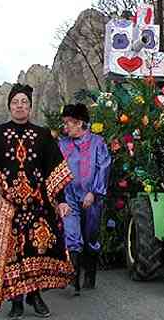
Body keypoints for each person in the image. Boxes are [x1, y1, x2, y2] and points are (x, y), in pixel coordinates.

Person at [0, 83, 74, 318]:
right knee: (12, 255)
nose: (20, 106)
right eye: (15, 102)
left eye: (24, 102)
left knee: (37, 252)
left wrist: (60, 200)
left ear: (30, 107)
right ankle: (16, 302)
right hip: (8, 207)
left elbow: (55, 170)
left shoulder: (43, 136)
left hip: (38, 207)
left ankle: (36, 296)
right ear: (9, 106)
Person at [58, 103, 111, 295]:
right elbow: (58, 171)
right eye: (64, 123)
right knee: (71, 234)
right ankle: (74, 280)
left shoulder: (98, 143)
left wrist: (94, 192)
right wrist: (60, 197)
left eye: (69, 123)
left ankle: (90, 274)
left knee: (90, 237)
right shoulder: (62, 144)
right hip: (69, 196)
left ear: (80, 123)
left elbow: (103, 167)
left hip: (92, 196)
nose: (65, 127)